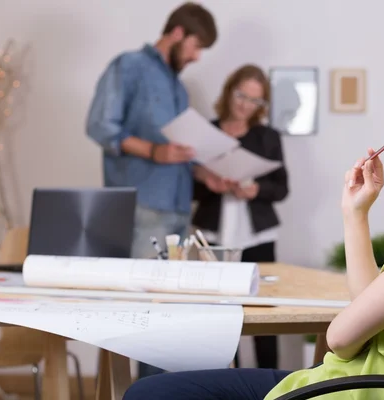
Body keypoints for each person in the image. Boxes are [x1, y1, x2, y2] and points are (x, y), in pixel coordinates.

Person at [122, 64, 384, 400]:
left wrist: (354, 335)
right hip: (361, 386)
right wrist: (355, 213)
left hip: (348, 392)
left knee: (150, 393)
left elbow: (340, 335)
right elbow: (367, 308)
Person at [85, 2, 217, 378]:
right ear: (177, 33)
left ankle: (162, 389)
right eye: (195, 47)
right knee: (148, 312)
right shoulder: (128, 67)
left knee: (170, 312)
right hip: (143, 208)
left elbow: (182, 151)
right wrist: (154, 150)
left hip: (177, 211)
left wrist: (209, 176)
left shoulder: (176, 86)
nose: (194, 58)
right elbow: (100, 126)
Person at [192, 64, 289, 369]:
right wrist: (210, 182)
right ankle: (226, 385)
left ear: (262, 105)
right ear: (229, 90)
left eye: (255, 101)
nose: (245, 105)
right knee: (218, 317)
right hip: (213, 236)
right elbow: (189, 190)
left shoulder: (267, 137)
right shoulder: (206, 131)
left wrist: (255, 188)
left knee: (263, 316)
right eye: (241, 95)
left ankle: (271, 387)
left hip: (256, 235)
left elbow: (282, 188)